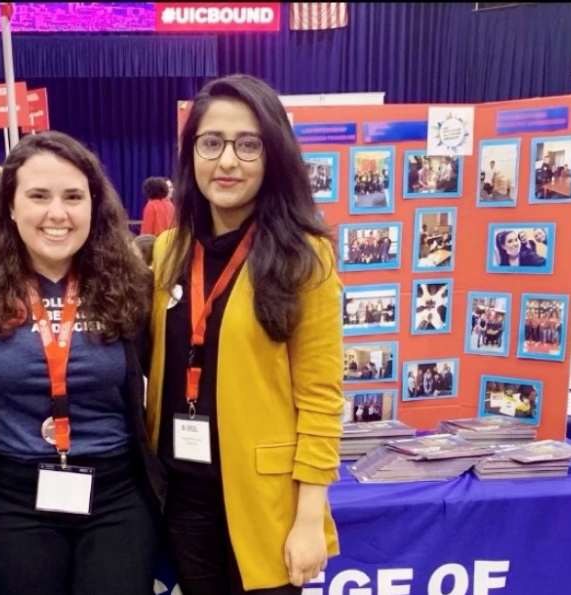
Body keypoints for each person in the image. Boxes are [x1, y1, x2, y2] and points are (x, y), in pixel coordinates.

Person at [146, 75, 343, 595]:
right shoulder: (168, 249)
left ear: (272, 154)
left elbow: (321, 399)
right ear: (191, 154)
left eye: (247, 144)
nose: (227, 161)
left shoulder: (304, 256)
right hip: (182, 495)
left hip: (266, 503)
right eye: (211, 143)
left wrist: (308, 519)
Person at [0, 131, 165, 595]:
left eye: (73, 197)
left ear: (94, 204)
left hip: (115, 496)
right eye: (38, 196)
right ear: (9, 204)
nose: (57, 214)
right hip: (10, 498)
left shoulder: (130, 279)